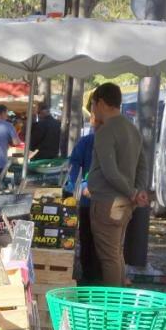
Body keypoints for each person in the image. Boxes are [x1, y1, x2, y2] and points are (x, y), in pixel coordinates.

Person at [86, 82, 151, 287]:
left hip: (107, 202)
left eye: (94, 104)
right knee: (116, 252)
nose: (93, 109)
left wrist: (133, 192)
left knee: (109, 257)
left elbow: (109, 170)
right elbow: (143, 166)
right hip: (124, 202)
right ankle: (120, 296)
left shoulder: (105, 132)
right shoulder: (132, 129)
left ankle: (113, 306)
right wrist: (137, 191)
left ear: (102, 102)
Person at [66, 108, 103, 283]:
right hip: (94, 202)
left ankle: (95, 277)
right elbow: (73, 167)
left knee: (96, 242)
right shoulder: (87, 142)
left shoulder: (91, 141)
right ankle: (91, 277)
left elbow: (73, 166)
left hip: (100, 202)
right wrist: (79, 185)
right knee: (91, 241)